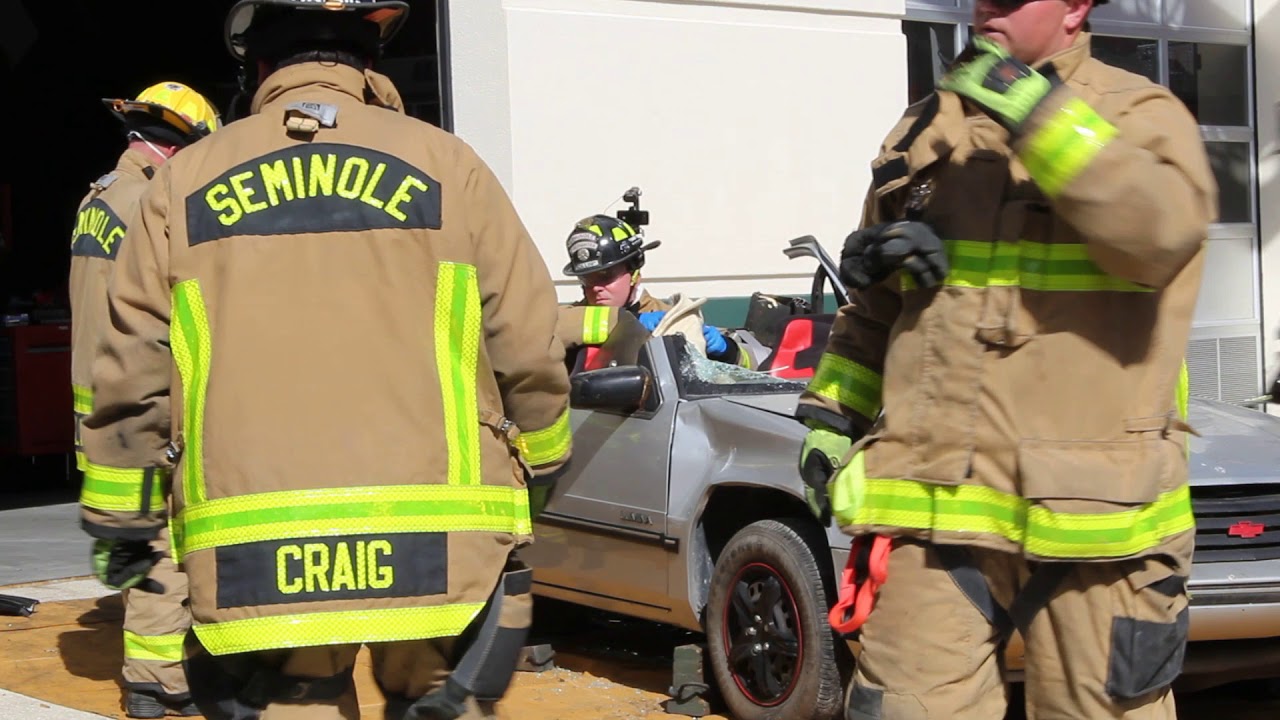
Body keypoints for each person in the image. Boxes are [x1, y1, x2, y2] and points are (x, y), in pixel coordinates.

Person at [79, 2, 572, 719]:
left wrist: (121, 519)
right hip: (439, 551)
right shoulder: (449, 164)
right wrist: (545, 462)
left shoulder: (180, 188)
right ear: (371, 65)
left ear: (259, 67)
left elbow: (129, 368)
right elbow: (526, 340)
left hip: (256, 560)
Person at [795, 1, 1217, 718]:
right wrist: (834, 413)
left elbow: (1158, 234)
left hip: (1093, 524)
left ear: (1077, 6)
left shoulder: (1140, 113)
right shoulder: (925, 128)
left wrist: (1036, 110)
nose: (987, 6)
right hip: (930, 505)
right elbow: (876, 306)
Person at [70, 79, 220, 719]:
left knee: (137, 531)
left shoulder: (101, 197)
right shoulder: (150, 203)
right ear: (180, 145)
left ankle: (150, 670)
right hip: (143, 395)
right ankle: (158, 678)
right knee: (167, 534)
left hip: (98, 400)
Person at [556, 214, 753, 367]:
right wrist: (625, 322)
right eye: (586, 278)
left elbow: (753, 365)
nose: (596, 287)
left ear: (634, 272)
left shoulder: (669, 319)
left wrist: (728, 351)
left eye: (606, 275)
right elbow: (543, 330)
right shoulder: (571, 320)